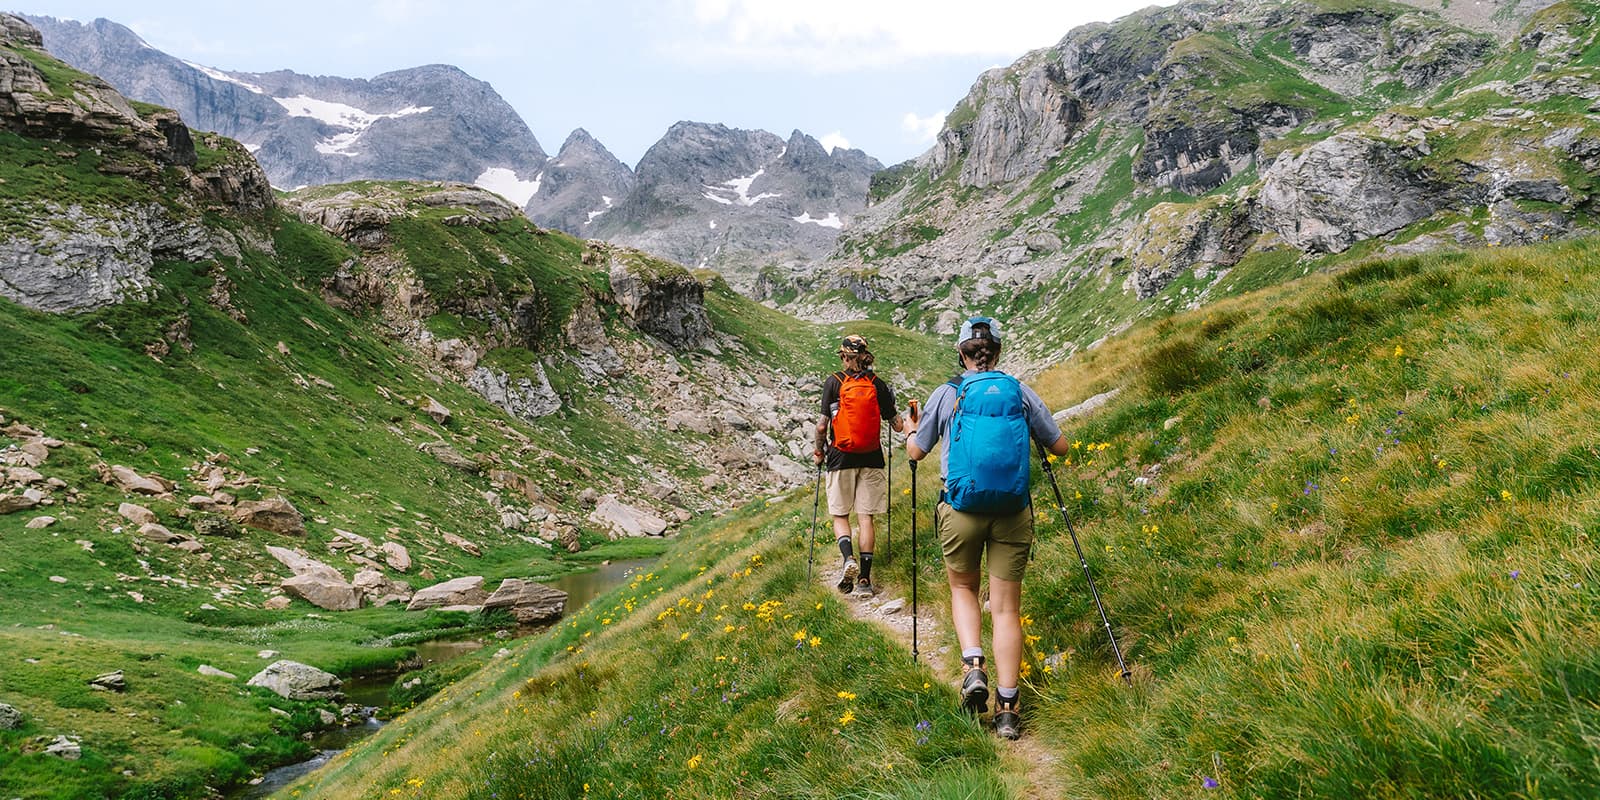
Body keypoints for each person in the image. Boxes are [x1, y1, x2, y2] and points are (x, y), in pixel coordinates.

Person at [905, 316, 1070, 741]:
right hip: (1013, 510)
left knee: (963, 588)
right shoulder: (1019, 391)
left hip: (960, 508)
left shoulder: (948, 392)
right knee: (1006, 609)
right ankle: (1009, 709)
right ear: (997, 352)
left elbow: (917, 451)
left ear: (961, 353)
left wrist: (911, 427)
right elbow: (1060, 446)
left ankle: (973, 666)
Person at [814, 334, 909, 598]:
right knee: (866, 517)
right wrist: (911, 421)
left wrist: (819, 451)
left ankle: (848, 559)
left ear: (844, 356)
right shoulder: (877, 384)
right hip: (871, 456)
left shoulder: (834, 382)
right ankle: (865, 580)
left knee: (840, 514)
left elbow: (822, 425)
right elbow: (897, 424)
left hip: (840, 455)